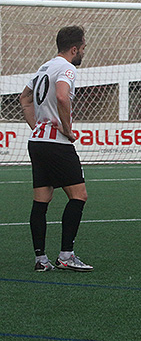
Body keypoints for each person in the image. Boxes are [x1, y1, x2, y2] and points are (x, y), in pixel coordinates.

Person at [18, 26, 93, 272]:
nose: (83, 51)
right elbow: (62, 97)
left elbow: (24, 98)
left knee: (41, 200)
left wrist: (38, 126)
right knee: (79, 195)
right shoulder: (67, 68)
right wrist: (67, 129)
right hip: (56, 144)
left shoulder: (44, 67)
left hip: (37, 142)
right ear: (74, 49)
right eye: (82, 48)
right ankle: (66, 255)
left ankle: (41, 260)